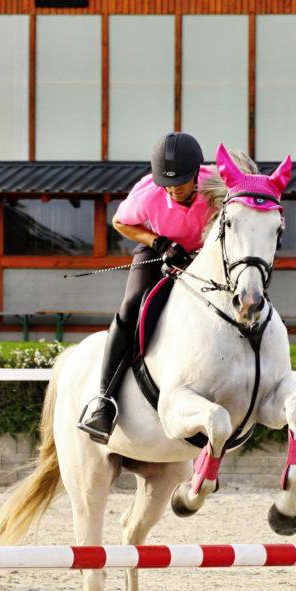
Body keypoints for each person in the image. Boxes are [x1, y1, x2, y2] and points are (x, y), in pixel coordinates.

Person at [78, 132, 215, 444]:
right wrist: (159, 242)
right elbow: (120, 222)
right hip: (159, 248)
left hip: (206, 254)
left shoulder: (217, 184)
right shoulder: (148, 193)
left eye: (180, 182)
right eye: (167, 183)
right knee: (131, 306)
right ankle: (104, 401)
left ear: (197, 172)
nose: (173, 189)